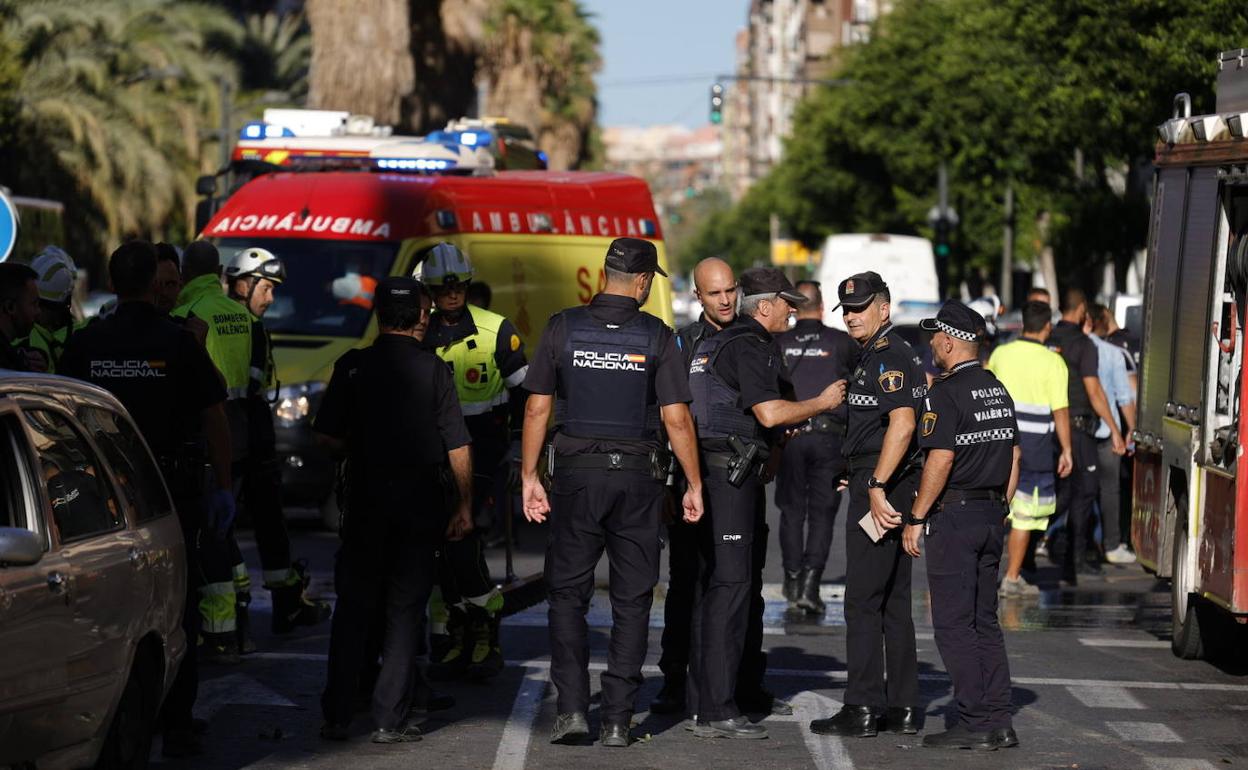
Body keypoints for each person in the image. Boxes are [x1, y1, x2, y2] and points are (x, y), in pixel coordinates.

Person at [519, 237, 704, 748]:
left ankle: (573, 710)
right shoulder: (658, 336)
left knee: (567, 597)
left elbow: (537, 408)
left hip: (576, 478)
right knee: (632, 599)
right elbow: (677, 418)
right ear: (643, 282)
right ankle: (620, 719)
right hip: (638, 482)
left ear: (606, 275)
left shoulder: (561, 327)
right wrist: (692, 482)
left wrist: (529, 477)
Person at [59, 240, 235, 758]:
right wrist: (224, 486)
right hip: (169, 497)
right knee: (178, 608)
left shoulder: (87, 344)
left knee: (107, 610)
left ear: (113, 284)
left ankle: (107, 716)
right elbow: (216, 416)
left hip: (100, 500)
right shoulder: (179, 343)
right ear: (152, 283)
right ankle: (177, 721)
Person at [686, 267, 846, 740]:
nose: (795, 311)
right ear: (766, 304)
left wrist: (773, 448)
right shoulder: (749, 345)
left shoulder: (718, 341)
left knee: (722, 588)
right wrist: (822, 403)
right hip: (727, 479)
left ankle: (715, 697)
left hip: (716, 475)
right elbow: (770, 411)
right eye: (788, 303)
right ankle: (717, 710)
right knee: (731, 589)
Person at [315, 276, 473, 744]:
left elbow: (324, 437)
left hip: (364, 501)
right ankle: (389, 719)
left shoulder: (352, 366)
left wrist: (358, 449)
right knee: (405, 613)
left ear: (379, 316)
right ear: (420, 317)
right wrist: (463, 504)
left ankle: (338, 715)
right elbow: (457, 444)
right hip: (419, 502)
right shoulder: (433, 369)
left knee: (353, 610)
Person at [901, 300, 1020, 752]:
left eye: (934, 336)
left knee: (953, 624)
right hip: (991, 513)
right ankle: (999, 718)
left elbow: (941, 457)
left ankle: (973, 718)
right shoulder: (996, 389)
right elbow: (1014, 454)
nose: (931, 343)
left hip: (955, 515)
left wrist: (916, 516)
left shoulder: (944, 393)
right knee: (984, 620)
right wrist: (999, 507)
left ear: (949, 342)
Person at [810, 271, 923, 739]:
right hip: (877, 477)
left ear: (885, 306)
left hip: (882, 484)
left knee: (862, 599)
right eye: (847, 309)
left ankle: (860, 706)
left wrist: (874, 483)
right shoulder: (873, 355)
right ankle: (903, 705)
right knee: (893, 600)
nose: (852, 317)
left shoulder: (889, 355)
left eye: (860, 308)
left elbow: (902, 422)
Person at [420, 243, 528, 681]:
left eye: (459, 286)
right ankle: (458, 631)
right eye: (443, 287)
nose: (452, 294)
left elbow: (527, 394)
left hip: (482, 450)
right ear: (427, 289)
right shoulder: (419, 331)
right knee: (439, 547)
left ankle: (486, 631)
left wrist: (523, 452)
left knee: (465, 541)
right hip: (430, 453)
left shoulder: (497, 331)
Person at [226, 247, 332, 637]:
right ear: (242, 284)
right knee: (255, 522)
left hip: (249, 431)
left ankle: (282, 602)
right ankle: (269, 605)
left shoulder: (245, 323)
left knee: (269, 521)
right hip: (245, 432)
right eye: (266, 289)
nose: (271, 299)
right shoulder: (242, 325)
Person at [651, 256, 737, 716]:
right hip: (688, 479)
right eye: (715, 293)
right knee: (686, 583)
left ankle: (737, 679)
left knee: (739, 586)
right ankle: (674, 677)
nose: (725, 300)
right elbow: (667, 417)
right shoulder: (681, 342)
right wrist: (671, 483)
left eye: (730, 290)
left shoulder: (753, 338)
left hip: (737, 482)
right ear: (698, 296)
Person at [171, 241, 255, 659]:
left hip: (208, 428)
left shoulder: (189, 315)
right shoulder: (239, 312)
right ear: (219, 270)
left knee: (208, 535)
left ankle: (218, 627)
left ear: (185, 273)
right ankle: (238, 605)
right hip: (239, 427)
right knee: (225, 526)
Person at [775, 279, 855, 614]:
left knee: (791, 512)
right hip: (828, 437)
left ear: (794, 307)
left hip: (790, 435)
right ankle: (810, 585)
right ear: (822, 307)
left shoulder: (779, 341)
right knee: (822, 515)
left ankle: (793, 580)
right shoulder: (840, 342)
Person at [987, 300, 1072, 595]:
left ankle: (981, 574)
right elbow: (1060, 410)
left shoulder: (1001, 353)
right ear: (1047, 326)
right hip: (1034, 447)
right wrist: (1067, 450)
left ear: (1024, 323)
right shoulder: (1053, 362)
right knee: (1024, 513)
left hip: (996, 442)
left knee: (992, 508)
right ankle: (1011, 578)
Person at [1046, 288, 1124, 584]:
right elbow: (1093, 391)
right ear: (1081, 311)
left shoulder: (1049, 338)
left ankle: (1037, 546)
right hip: (1078, 428)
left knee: (1062, 492)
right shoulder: (1083, 344)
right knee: (1084, 492)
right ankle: (1073, 558)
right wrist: (1114, 430)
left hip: (1049, 429)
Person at [1087, 303, 1136, 565]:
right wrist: (1131, 429)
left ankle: (1078, 541)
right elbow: (1125, 396)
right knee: (1110, 490)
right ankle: (1112, 543)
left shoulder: (1073, 350)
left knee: (1081, 490)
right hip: (1109, 431)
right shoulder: (1112, 354)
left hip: (1079, 430)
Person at [16, 246, 78, 373]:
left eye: (43, 305)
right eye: (34, 303)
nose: (37, 311)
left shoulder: (79, 336)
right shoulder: (17, 333)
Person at [0, 262, 40, 371]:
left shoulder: (11, 356)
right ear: (10, 307)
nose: (38, 311)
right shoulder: (6, 365)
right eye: (34, 304)